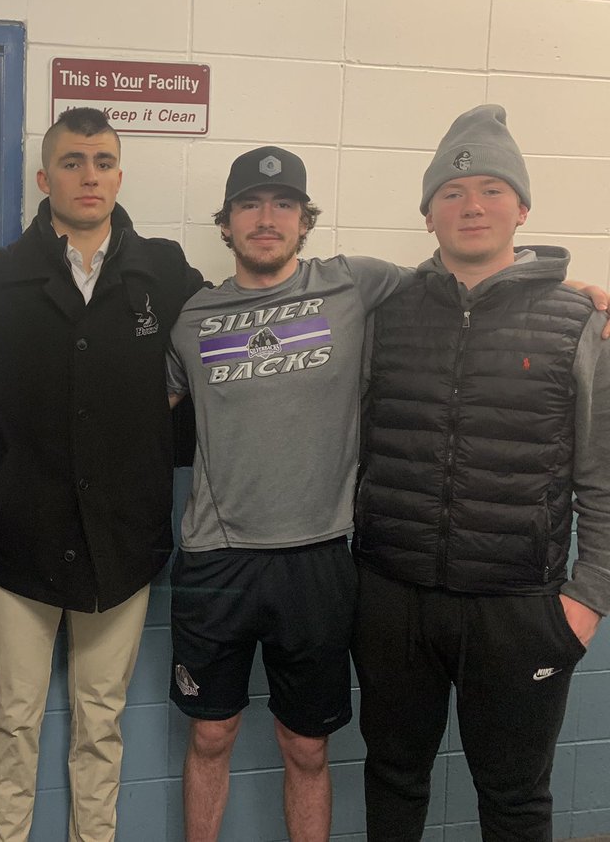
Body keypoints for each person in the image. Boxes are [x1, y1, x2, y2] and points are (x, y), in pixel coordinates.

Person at [352, 104, 610, 841]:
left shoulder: (581, 323)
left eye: (493, 189)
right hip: (393, 600)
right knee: (394, 782)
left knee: (515, 799)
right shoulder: (384, 315)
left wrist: (585, 601)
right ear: (427, 213)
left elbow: (603, 477)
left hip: (519, 611)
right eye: (453, 193)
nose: (472, 206)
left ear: (522, 207)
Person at [0, 107, 203, 842]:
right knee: (12, 723)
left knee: (101, 724)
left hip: (122, 541)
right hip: (19, 538)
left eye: (101, 161)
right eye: (71, 161)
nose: (88, 175)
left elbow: (236, 326)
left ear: (119, 175)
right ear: (44, 177)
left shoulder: (163, 271)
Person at [165, 145, 419, 841]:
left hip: (316, 559)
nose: (266, 217)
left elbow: (459, 288)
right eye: (249, 204)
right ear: (227, 223)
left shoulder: (353, 285)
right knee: (211, 736)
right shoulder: (193, 319)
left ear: (305, 220)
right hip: (216, 559)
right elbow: (125, 420)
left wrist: (573, 292)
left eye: (283, 205)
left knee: (305, 747)